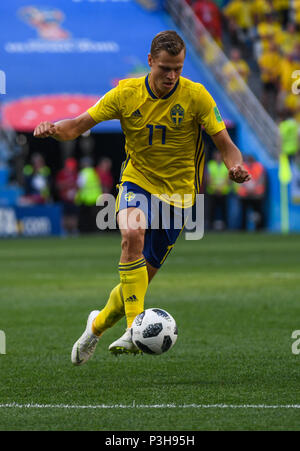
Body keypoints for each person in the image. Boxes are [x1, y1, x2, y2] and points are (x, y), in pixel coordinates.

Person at [33, 30, 251, 365]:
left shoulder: (197, 97)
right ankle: (137, 326)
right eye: (165, 67)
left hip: (180, 199)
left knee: (133, 286)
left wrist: (235, 166)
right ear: (150, 61)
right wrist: (52, 128)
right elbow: (76, 126)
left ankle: (96, 326)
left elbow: (226, 146)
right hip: (138, 181)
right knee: (131, 233)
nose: (172, 75)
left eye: (177, 68)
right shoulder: (125, 94)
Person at [236, 155, 266, 230]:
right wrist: (248, 189)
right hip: (245, 194)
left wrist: (253, 189)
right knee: (243, 213)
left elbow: (262, 179)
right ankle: (243, 228)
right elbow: (239, 180)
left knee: (257, 213)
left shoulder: (259, 167)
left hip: (256, 195)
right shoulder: (243, 167)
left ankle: (258, 228)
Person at [55, 157, 79, 235]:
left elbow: (78, 185)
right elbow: (58, 185)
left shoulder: (75, 174)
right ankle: (64, 230)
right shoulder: (62, 174)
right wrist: (67, 184)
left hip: (73, 198)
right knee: (65, 215)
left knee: (73, 216)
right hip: (64, 198)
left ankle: (74, 230)